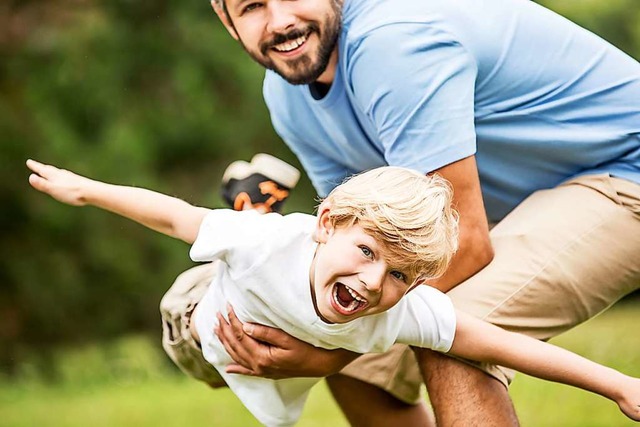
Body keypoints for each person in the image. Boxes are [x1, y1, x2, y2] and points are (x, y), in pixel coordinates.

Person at [203, 0, 640, 425]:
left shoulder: (392, 43)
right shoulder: (286, 93)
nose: (280, 21)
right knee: (364, 371)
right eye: (252, 6)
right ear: (226, 19)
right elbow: (353, 234)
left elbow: (465, 241)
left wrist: (332, 346)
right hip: (539, 198)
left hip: (625, 169)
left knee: (454, 330)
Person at [26, 159, 640, 426]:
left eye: (399, 274)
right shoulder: (266, 246)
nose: (374, 282)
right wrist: (86, 190)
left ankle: (257, 198)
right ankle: (254, 207)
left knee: (263, 251)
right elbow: (172, 216)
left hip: (275, 360)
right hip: (199, 316)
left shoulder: (408, 310)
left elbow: (506, 346)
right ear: (330, 225)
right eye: (368, 252)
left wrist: (619, 386)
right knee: (233, 249)